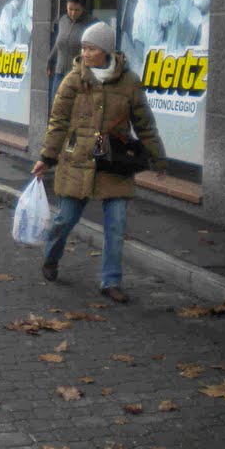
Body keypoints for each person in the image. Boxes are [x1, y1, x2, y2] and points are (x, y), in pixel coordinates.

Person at [31, 21, 167, 303]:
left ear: (105, 50)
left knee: (116, 226)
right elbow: (58, 123)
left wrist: (158, 158)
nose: (85, 52)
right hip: (77, 161)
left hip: (114, 165)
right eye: (83, 47)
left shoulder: (129, 82)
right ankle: (51, 257)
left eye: (91, 48)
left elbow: (144, 123)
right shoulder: (72, 80)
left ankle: (110, 281)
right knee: (64, 220)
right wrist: (47, 157)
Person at [46, 0, 96, 107]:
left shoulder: (91, 23)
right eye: (70, 9)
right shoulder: (63, 20)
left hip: (79, 74)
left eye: (77, 10)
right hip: (60, 72)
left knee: (75, 107)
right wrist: (50, 60)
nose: (73, 13)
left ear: (83, 8)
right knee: (56, 105)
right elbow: (58, 43)